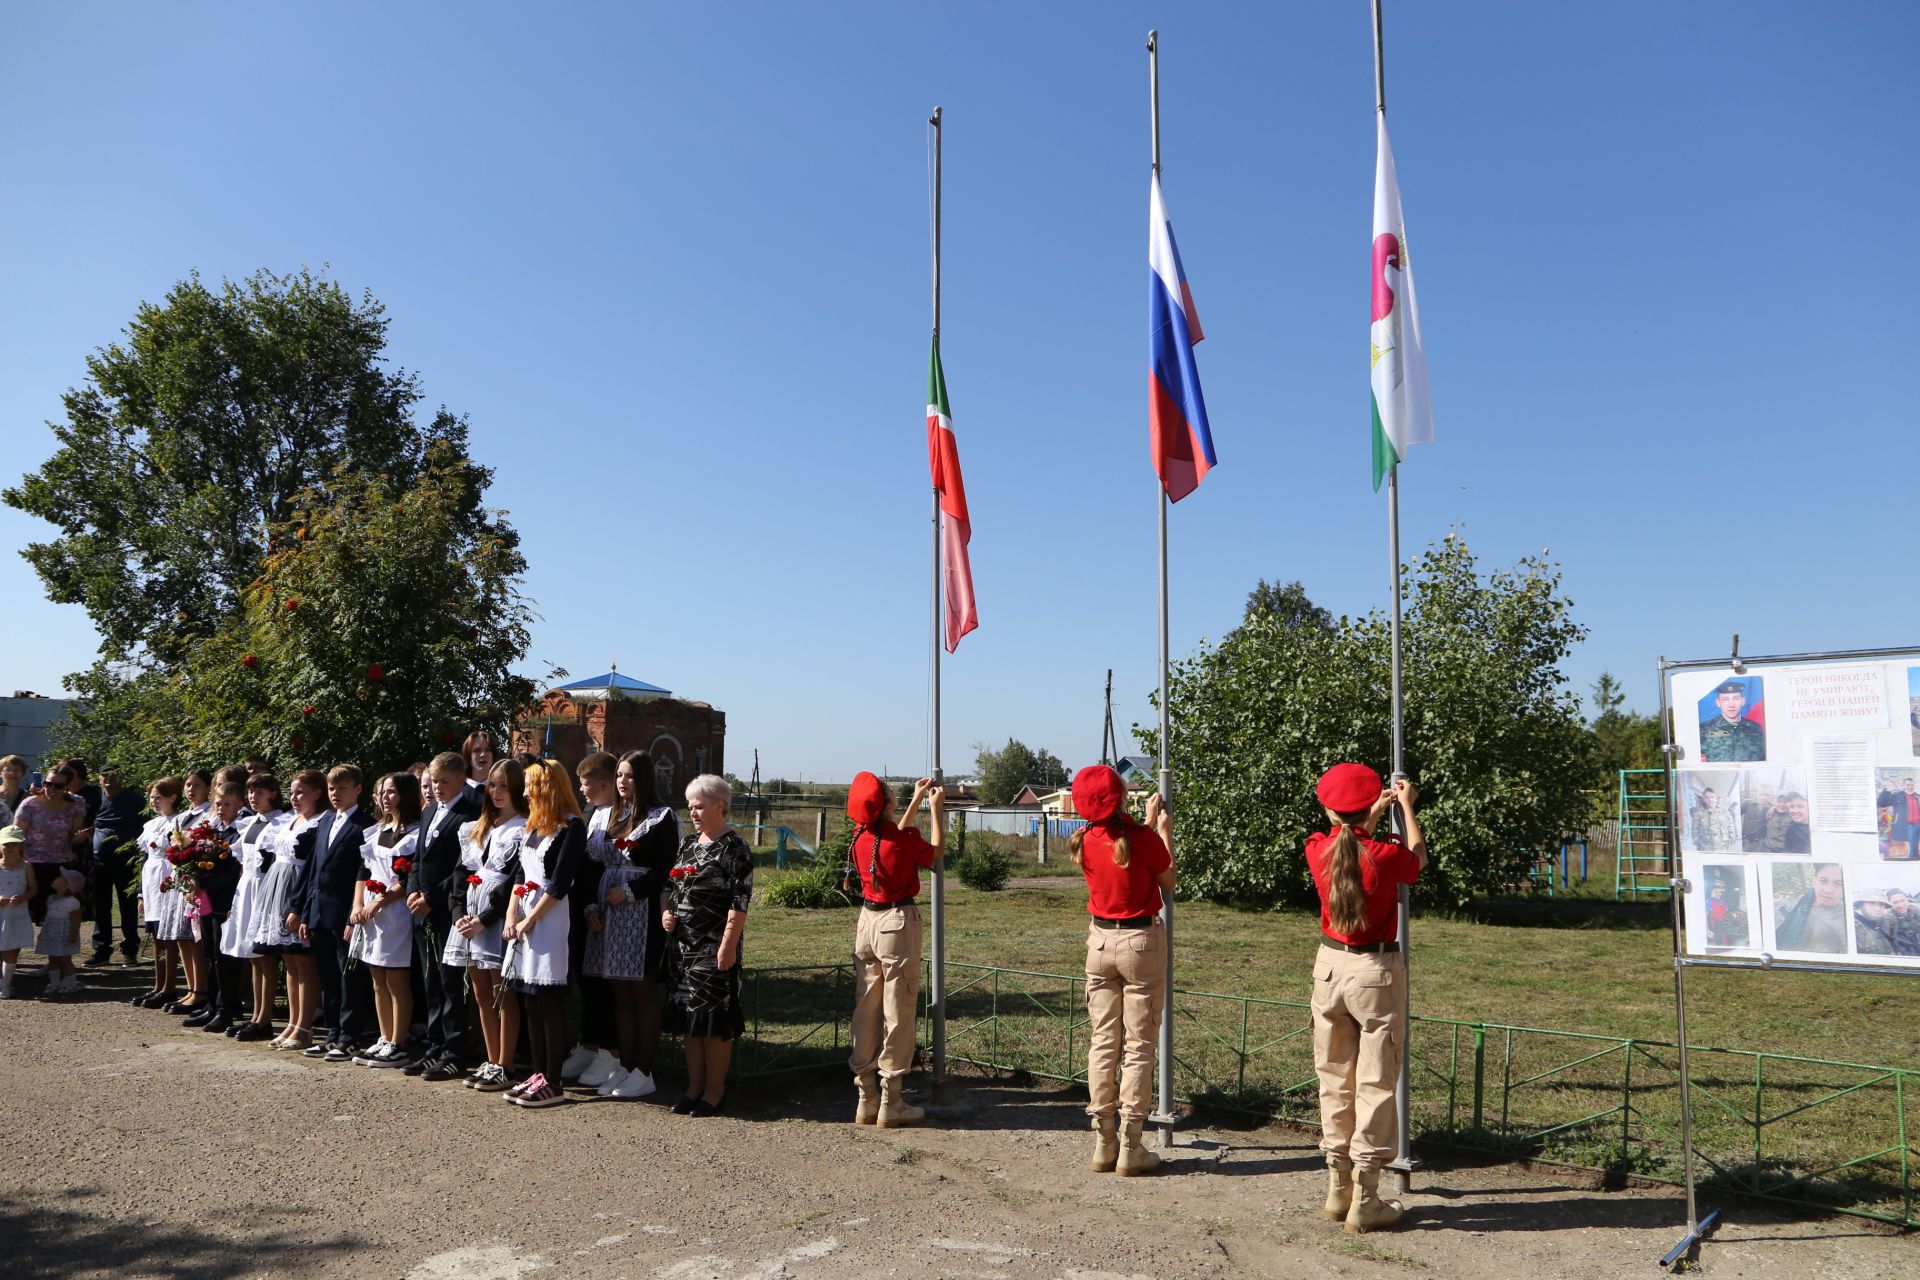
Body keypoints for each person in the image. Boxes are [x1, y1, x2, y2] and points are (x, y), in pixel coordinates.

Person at [1306, 763, 1426, 1234]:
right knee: (1375, 1081)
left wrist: (1369, 816)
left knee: (1335, 1078)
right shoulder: (1385, 853)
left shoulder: (1317, 848)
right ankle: (1367, 1197)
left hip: (1330, 966)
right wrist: (1407, 810)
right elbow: (1415, 859)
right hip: (1374, 972)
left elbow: (1347, 843)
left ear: (1328, 808)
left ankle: (1337, 1187)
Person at [1065, 764, 1173, 1175]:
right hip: (1140, 943)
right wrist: (1162, 829)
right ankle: (1131, 1144)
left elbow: (1119, 848)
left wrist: (1144, 825)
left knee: (1103, 1041)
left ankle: (1103, 1141)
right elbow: (1167, 881)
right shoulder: (1144, 840)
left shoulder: (1083, 840)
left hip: (1100, 943)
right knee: (1139, 1045)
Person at [842, 772, 944, 1127]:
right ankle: (892, 1099)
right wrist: (935, 811)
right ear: (886, 805)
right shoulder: (900, 840)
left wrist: (915, 799)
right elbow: (935, 854)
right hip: (897, 923)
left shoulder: (861, 837)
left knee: (866, 1006)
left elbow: (892, 838)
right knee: (898, 1007)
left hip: (867, 923)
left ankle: (866, 1097)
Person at [580, 751, 678, 1100]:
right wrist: (593, 903)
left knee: (642, 991)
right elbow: (592, 865)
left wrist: (632, 891)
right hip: (609, 911)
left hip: (642, 912)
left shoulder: (661, 817)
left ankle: (643, 1069)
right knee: (619, 991)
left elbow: (666, 867)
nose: (622, 782)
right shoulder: (611, 816)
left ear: (645, 779)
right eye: (620, 775)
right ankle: (624, 1064)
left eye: (630, 776)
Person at [662, 773, 754, 1117]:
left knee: (714, 1023)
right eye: (690, 807)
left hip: (714, 947)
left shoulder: (735, 849)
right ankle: (693, 1088)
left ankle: (715, 1091)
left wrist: (728, 944)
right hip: (683, 948)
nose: (693, 812)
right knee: (690, 1020)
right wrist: (666, 914)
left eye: (699, 806)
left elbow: (739, 900)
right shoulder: (688, 844)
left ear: (720, 806)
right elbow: (669, 887)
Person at [501, 758, 586, 1108]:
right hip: (525, 917)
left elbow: (560, 883)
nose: (524, 792)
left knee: (548, 1001)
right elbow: (520, 877)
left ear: (547, 788)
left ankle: (554, 1079)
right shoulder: (532, 828)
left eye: (530, 785)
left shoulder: (572, 827)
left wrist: (530, 918)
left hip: (550, 919)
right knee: (529, 998)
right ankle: (537, 1072)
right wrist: (512, 915)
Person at [445, 758, 528, 1093]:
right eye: (493, 784)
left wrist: (484, 919)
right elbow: (460, 876)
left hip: (495, 920)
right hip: (469, 918)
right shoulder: (476, 828)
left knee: (501, 992)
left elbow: (513, 883)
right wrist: (458, 914)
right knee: (480, 993)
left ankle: (504, 1064)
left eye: (504, 785)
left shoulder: (523, 828)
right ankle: (491, 1059)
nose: (496, 792)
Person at [404, 752, 483, 1081]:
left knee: (450, 984)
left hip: (445, 908)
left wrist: (431, 897)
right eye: (434, 782)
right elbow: (419, 857)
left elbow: (459, 866)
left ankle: (455, 1051)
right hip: (420, 908)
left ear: (461, 780)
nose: (437, 788)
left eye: (444, 782)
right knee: (430, 982)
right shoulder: (430, 811)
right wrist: (412, 889)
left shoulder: (469, 812)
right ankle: (435, 1046)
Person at [299, 764, 375, 1062]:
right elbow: (314, 871)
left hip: (345, 913)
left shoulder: (364, 826)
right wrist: (306, 912)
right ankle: (332, 1033)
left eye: (342, 788)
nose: (336, 794)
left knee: (349, 977)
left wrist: (352, 918)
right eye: (332, 788)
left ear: (357, 789)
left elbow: (363, 873)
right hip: (319, 911)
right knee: (328, 977)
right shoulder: (325, 821)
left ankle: (349, 1036)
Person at [350, 772, 422, 1067]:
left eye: (391, 792)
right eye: (382, 792)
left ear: (404, 794)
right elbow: (364, 872)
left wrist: (378, 903)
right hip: (370, 910)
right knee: (377, 977)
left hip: (395, 911)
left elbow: (406, 879)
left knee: (396, 980)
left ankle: (398, 1042)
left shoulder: (415, 833)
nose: (385, 797)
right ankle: (384, 1035)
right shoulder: (376, 830)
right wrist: (358, 905)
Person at [561, 753, 622, 1091]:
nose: (581, 790)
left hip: (613, 909)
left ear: (604, 783)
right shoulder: (589, 815)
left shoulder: (621, 816)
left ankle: (610, 1052)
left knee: (606, 984)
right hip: (587, 908)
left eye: (585, 784)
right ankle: (589, 1043)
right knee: (588, 980)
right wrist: (586, 906)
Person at [255, 769, 328, 1052]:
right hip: (278, 890)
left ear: (317, 793)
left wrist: (300, 905)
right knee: (289, 958)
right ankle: (293, 1022)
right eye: (293, 792)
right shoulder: (289, 820)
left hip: (298, 890)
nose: (294, 798)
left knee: (304, 959)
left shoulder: (320, 823)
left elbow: (311, 867)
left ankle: (305, 1026)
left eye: (301, 792)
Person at [220, 774, 289, 1042]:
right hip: (247, 889)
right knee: (252, 957)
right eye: (250, 792)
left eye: (259, 792)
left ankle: (265, 1018)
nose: (253, 797)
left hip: (264, 889)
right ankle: (256, 1016)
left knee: (264, 957)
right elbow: (243, 863)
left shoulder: (280, 823)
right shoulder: (250, 822)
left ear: (272, 793)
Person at [191, 780, 248, 1033]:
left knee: (225, 957)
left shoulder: (239, 832)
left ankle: (227, 1008)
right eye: (218, 803)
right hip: (208, 898)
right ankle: (213, 1006)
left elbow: (234, 870)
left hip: (226, 898)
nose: (221, 808)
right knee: (211, 954)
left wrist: (201, 879)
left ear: (239, 805)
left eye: (227, 804)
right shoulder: (212, 831)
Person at [87, 763, 147, 965]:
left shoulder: (134, 799)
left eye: (113, 775)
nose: (108, 779)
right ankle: (101, 950)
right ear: (99, 777)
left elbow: (147, 824)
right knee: (101, 907)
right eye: (104, 775)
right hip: (100, 863)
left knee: (127, 907)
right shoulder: (96, 798)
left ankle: (130, 950)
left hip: (127, 862)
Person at [131, 777, 184, 1008]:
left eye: (158, 797)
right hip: (151, 881)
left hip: (167, 878)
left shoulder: (179, 822)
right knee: (155, 936)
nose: (154, 801)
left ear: (172, 796)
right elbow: (145, 856)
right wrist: (141, 894)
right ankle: (158, 983)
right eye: (151, 797)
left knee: (167, 936)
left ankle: (170, 985)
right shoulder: (151, 824)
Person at [15, 764, 88, 925]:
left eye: (58, 786)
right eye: (48, 784)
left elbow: (74, 836)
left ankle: (59, 948)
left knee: (59, 916)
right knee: (27, 915)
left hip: (61, 867)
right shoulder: (30, 804)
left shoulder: (77, 803)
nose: (51, 789)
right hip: (33, 865)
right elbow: (16, 836)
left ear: (68, 786)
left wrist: (80, 837)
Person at [0, 826, 38, 998]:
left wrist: (23, 898)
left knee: (11, 951)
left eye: (13, 844)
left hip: (16, 915)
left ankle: (5, 985)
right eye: (5, 844)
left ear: (21, 846)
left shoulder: (26, 867)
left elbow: (33, 889)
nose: (9, 848)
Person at [1776, 863, 1847, 953]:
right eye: (1823, 881)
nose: (1828, 890)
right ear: (1814, 883)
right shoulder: (1805, 900)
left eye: (1838, 884)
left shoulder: (1845, 918)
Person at [39, 868, 85, 997]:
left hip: (64, 935)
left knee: (65, 959)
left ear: (66, 885)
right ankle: (55, 982)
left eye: (58, 877)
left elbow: (76, 920)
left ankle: (70, 982)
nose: (55, 878)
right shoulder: (51, 899)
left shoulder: (72, 902)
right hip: (52, 935)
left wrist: (73, 934)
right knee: (52, 958)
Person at [1699, 680, 1766, 762]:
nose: (1731, 704)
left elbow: (1763, 758)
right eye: (1725, 699)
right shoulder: (1704, 730)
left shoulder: (1755, 728)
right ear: (1718, 703)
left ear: (1743, 701)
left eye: (1736, 698)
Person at [1880, 777, 1920, 861]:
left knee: (1916, 844)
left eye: (1912, 785)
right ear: (1904, 785)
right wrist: (1887, 790)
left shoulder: (1917, 796)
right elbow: (1881, 803)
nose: (1910, 787)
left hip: (1918, 825)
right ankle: (1912, 860)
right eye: (1908, 785)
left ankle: (1915, 858)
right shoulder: (1897, 795)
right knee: (1912, 845)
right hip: (1907, 825)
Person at [1688, 787, 1737, 853]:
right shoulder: (1698, 814)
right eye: (1707, 797)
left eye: (1712, 797)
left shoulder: (1724, 812)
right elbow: (1694, 830)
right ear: (1703, 799)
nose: (1710, 799)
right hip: (1705, 849)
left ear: (1716, 798)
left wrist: (1731, 840)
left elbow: (1731, 826)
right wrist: (1699, 844)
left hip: (1722, 848)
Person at [1884, 889, 1920, 956]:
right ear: (1890, 904)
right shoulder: (1887, 919)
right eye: (1895, 902)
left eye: (1902, 900)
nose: (1900, 905)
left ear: (1907, 900)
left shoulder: (1916, 911)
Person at [0, 754, 29, 819]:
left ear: (23, 773)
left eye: (17, 770)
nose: (13, 773)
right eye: (8, 770)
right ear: (0, 773)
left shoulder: (27, 797)